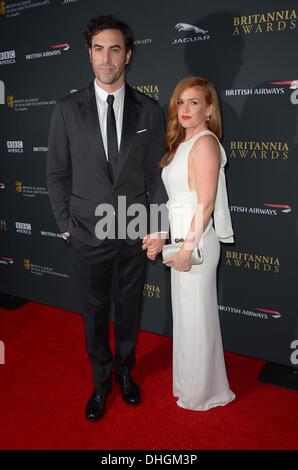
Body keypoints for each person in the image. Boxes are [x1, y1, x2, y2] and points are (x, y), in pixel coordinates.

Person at [47, 15, 166, 422]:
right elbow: (56, 174)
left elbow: (155, 173)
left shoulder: (149, 109)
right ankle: (100, 382)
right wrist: (65, 225)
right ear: (89, 54)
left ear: (128, 54)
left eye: (115, 48)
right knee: (95, 312)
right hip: (84, 231)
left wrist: (155, 223)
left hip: (133, 228)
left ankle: (124, 373)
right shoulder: (66, 109)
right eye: (98, 49)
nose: (106, 58)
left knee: (128, 309)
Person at [157, 76, 235, 410]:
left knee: (197, 319)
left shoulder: (204, 142)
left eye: (194, 102)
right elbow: (177, 199)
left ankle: (205, 392)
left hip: (197, 242)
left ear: (209, 109)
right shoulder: (181, 144)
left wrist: (187, 249)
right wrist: (162, 236)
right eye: (180, 102)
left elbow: (204, 203)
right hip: (182, 240)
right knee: (187, 318)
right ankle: (190, 385)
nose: (185, 109)